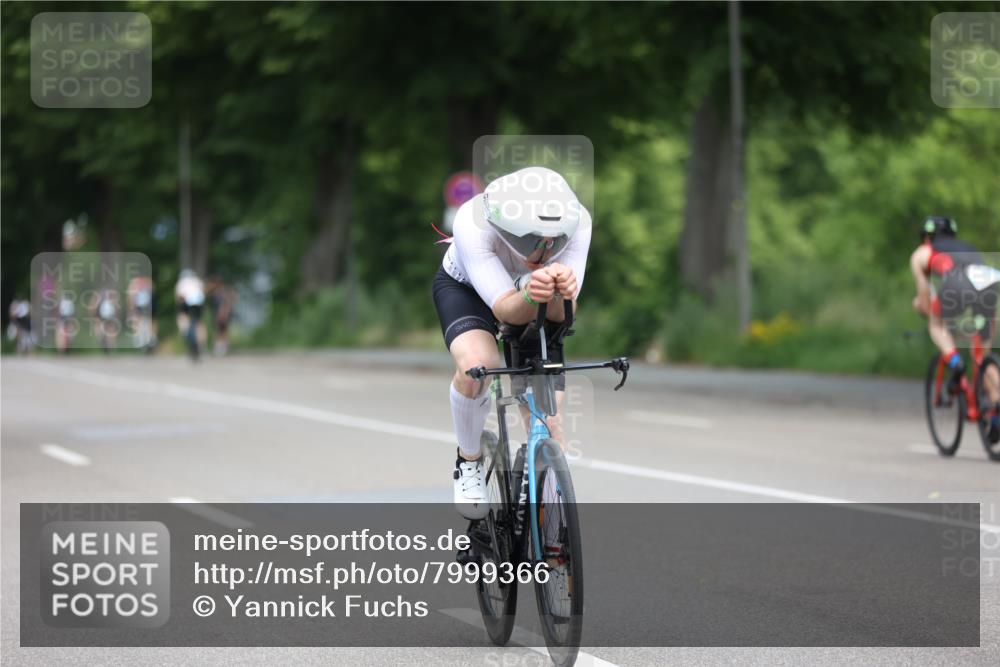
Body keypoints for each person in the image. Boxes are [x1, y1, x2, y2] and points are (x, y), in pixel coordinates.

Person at [431, 166, 592, 520]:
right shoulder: (473, 223)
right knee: (478, 365)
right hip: (469, 290)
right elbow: (506, 308)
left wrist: (561, 293)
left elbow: (562, 314)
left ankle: (548, 519)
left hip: (531, 297)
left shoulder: (579, 222)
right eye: (531, 240)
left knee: (549, 416)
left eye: (554, 241)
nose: (544, 251)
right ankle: (468, 461)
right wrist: (535, 294)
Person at [910, 215, 1000, 442]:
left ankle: (954, 362)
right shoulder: (968, 248)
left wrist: (927, 313)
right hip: (989, 281)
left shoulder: (922, 252)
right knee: (983, 357)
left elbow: (923, 300)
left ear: (926, 237)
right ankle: (996, 412)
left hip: (957, 283)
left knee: (936, 325)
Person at [175, 269, 207, 360]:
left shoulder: (182, 282)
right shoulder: (198, 281)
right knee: (199, 323)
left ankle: (186, 332)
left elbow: (179, 297)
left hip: (186, 301)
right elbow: (203, 293)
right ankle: (201, 344)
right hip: (198, 302)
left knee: (183, 318)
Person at [205, 276, 236, 356]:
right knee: (221, 330)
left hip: (222, 313)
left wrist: (223, 313)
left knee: (221, 330)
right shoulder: (216, 292)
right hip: (221, 313)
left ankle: (221, 348)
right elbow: (206, 292)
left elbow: (225, 303)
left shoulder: (222, 292)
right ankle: (223, 347)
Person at [127, 274, 157, 353]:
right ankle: (152, 338)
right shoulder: (148, 282)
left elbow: (131, 298)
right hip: (149, 306)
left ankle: (139, 339)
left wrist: (131, 310)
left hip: (139, 307)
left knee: (137, 321)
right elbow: (153, 292)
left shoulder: (134, 284)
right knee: (151, 321)